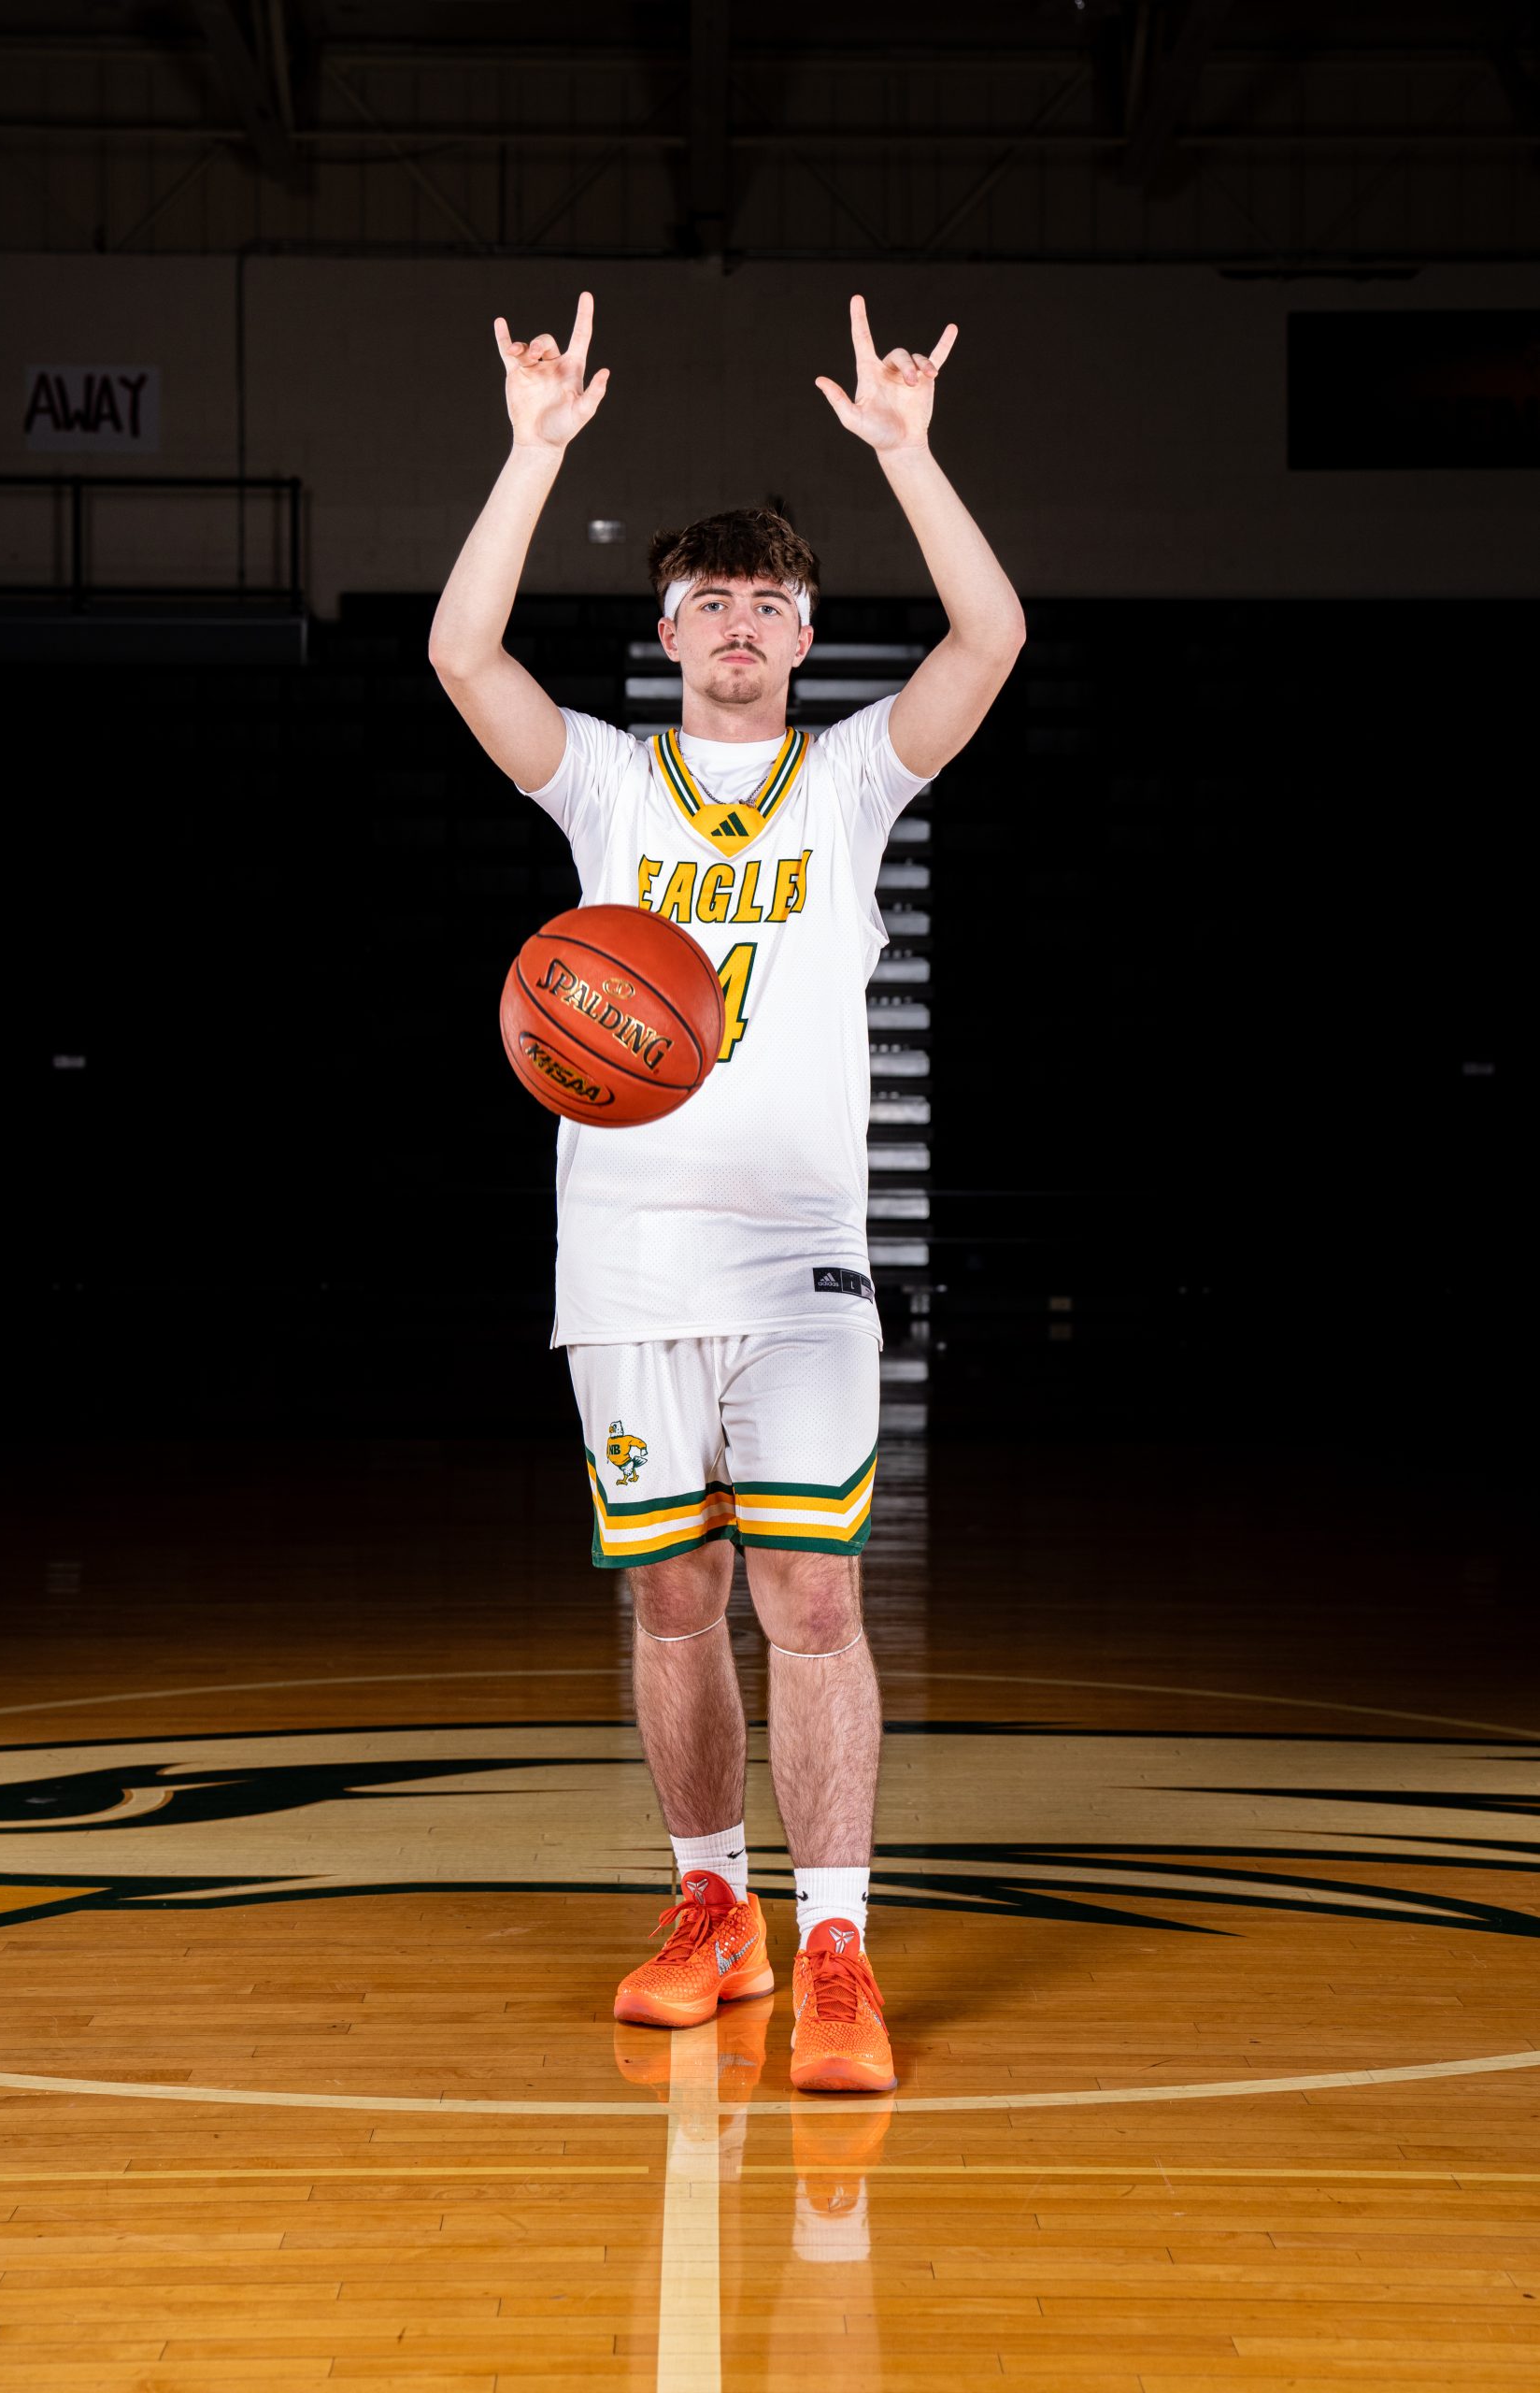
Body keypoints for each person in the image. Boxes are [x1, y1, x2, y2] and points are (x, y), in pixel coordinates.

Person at [430, 291, 1023, 2092]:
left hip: (799, 1268)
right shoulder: (609, 787)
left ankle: (837, 1942)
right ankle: (714, 1910)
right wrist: (529, 454)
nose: (740, 623)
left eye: (769, 601)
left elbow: (991, 636)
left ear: (805, 635)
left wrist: (910, 457)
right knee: (670, 1604)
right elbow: (462, 654)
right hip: (622, 1267)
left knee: (813, 1604)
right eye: (709, 600)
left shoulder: (848, 785)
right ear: (668, 629)